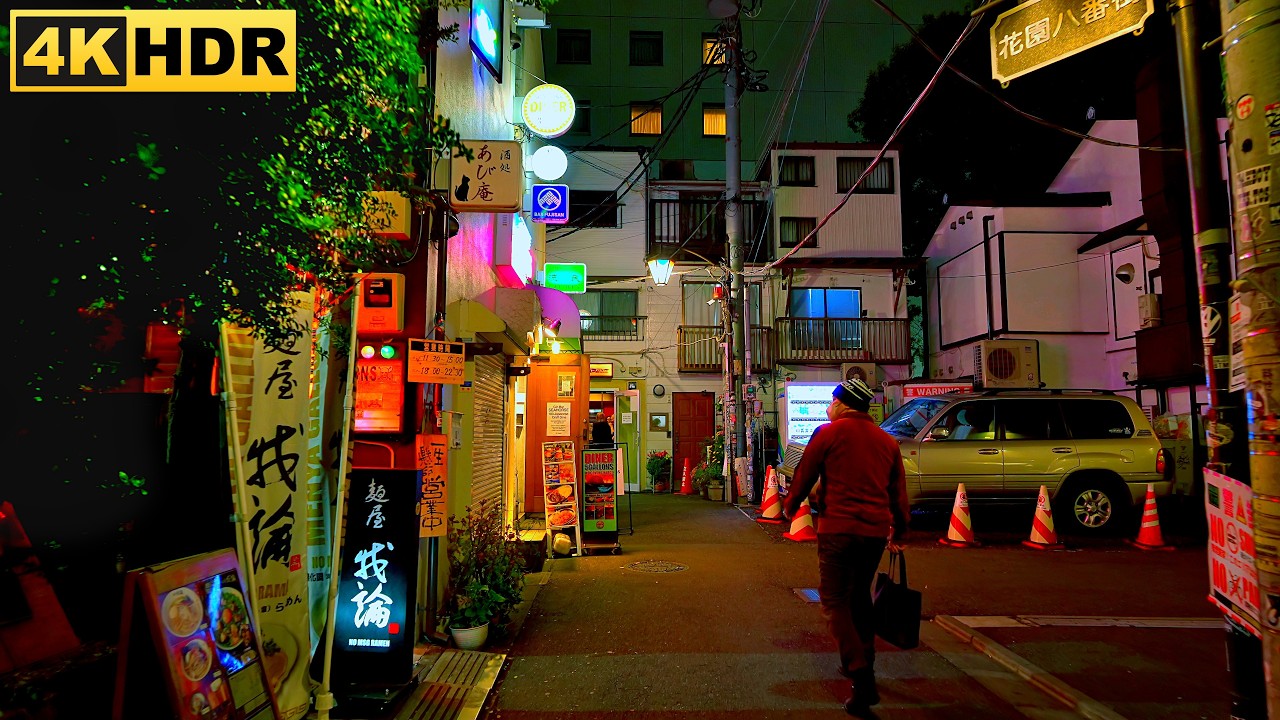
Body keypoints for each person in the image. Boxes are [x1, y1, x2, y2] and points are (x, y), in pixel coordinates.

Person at [783, 377, 909, 717]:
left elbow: (804, 474)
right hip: (873, 533)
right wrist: (900, 531)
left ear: (841, 404)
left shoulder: (828, 433)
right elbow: (898, 492)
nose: (828, 408)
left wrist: (789, 507)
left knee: (835, 602)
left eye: (831, 402)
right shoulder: (887, 441)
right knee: (859, 600)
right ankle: (860, 660)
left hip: (837, 530)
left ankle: (861, 674)